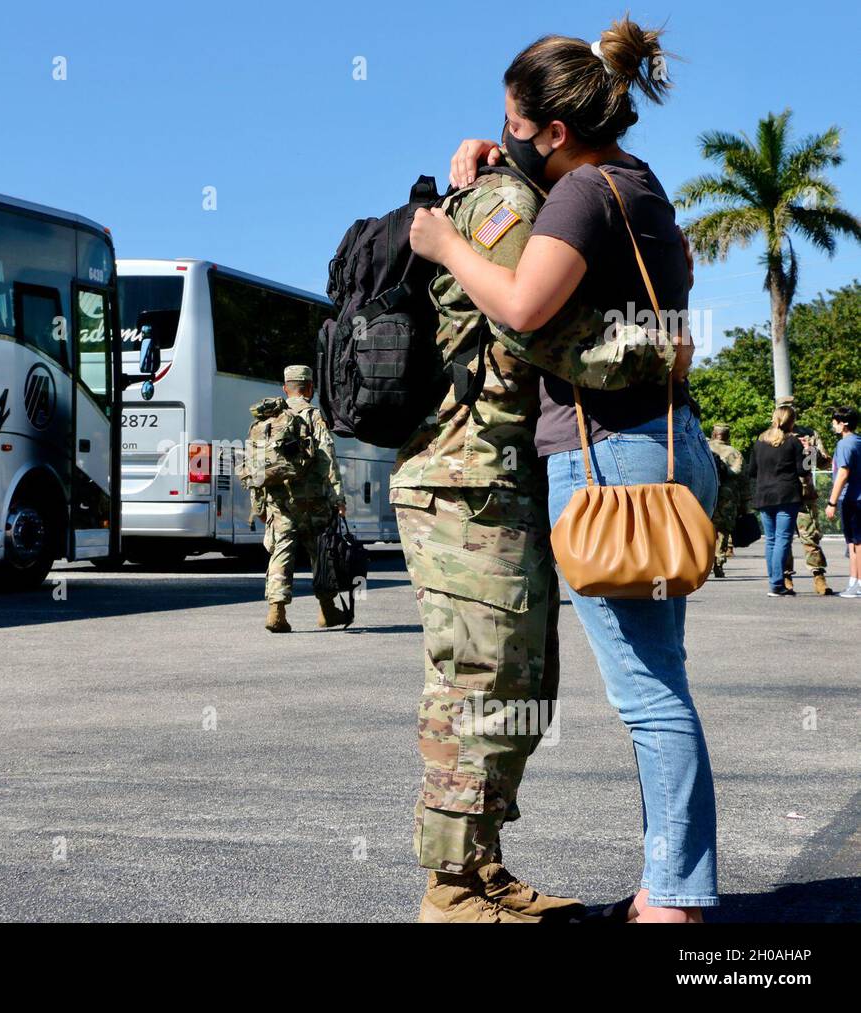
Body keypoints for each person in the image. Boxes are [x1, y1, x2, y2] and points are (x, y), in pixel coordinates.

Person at [410, 15, 720, 921]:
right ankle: (672, 890)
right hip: (662, 448)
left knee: (650, 696)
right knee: (655, 681)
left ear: (553, 131)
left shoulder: (580, 200)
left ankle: (674, 900)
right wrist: (502, 165)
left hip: (611, 463)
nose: (502, 131)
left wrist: (444, 242)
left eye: (514, 120)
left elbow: (523, 305)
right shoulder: (638, 182)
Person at [251, 365, 345, 633]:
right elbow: (327, 456)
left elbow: (257, 466)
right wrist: (338, 497)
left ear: (285, 388)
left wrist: (257, 505)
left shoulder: (269, 418)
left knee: (281, 551)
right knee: (321, 553)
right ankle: (327, 611)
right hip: (314, 500)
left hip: (280, 501)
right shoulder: (313, 415)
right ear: (310, 388)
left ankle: (276, 612)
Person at [748, 405, 809, 597]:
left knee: (772, 540)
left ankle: (774, 581)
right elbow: (803, 470)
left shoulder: (759, 443)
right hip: (787, 494)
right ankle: (777, 584)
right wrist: (809, 452)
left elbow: (751, 471)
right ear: (792, 422)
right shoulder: (793, 443)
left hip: (764, 495)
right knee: (783, 539)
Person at [778, 398, 833, 595]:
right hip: (781, 493)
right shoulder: (772, 436)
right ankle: (785, 576)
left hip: (804, 493)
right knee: (783, 538)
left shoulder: (808, 434)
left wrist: (814, 452)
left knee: (810, 536)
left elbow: (824, 463)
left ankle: (819, 576)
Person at [826, 406, 861, 597]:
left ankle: (859, 584)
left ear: (843, 424)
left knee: (858, 542)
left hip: (852, 498)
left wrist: (831, 502)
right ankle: (854, 581)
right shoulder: (858, 442)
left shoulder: (845, 444)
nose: (833, 425)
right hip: (854, 498)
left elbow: (843, 473)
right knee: (852, 543)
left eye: (835, 422)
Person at [708, 423, 746, 578]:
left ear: (713, 434)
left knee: (705, 528)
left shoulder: (705, 449)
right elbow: (741, 477)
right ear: (727, 436)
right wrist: (745, 502)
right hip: (727, 497)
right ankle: (718, 562)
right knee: (723, 530)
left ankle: (703, 561)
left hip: (707, 494)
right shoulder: (734, 453)